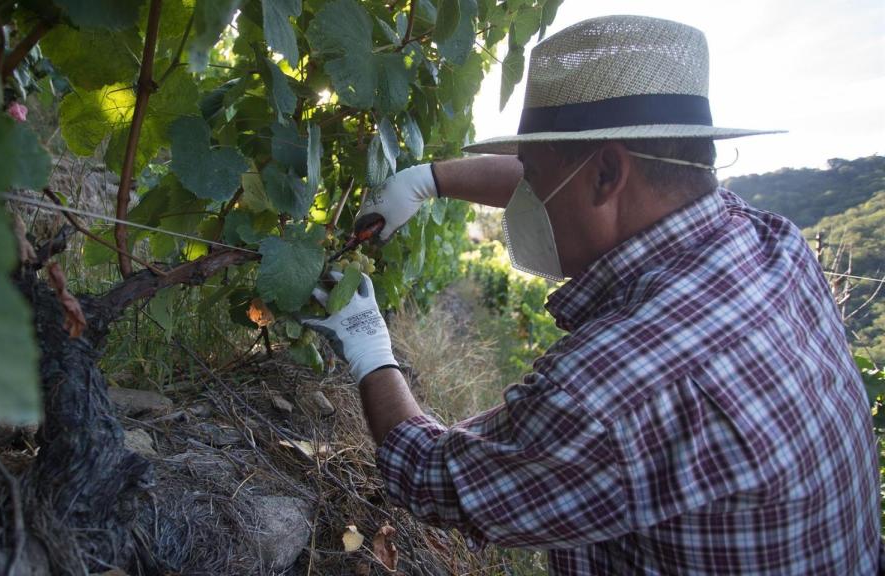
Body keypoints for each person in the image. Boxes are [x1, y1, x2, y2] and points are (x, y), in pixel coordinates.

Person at [304, 15, 882, 575]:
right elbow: (568, 179)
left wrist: (368, 345)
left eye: (530, 173)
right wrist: (428, 179)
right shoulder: (770, 241)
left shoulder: (616, 387)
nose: (526, 192)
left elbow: (431, 474)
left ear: (607, 173)